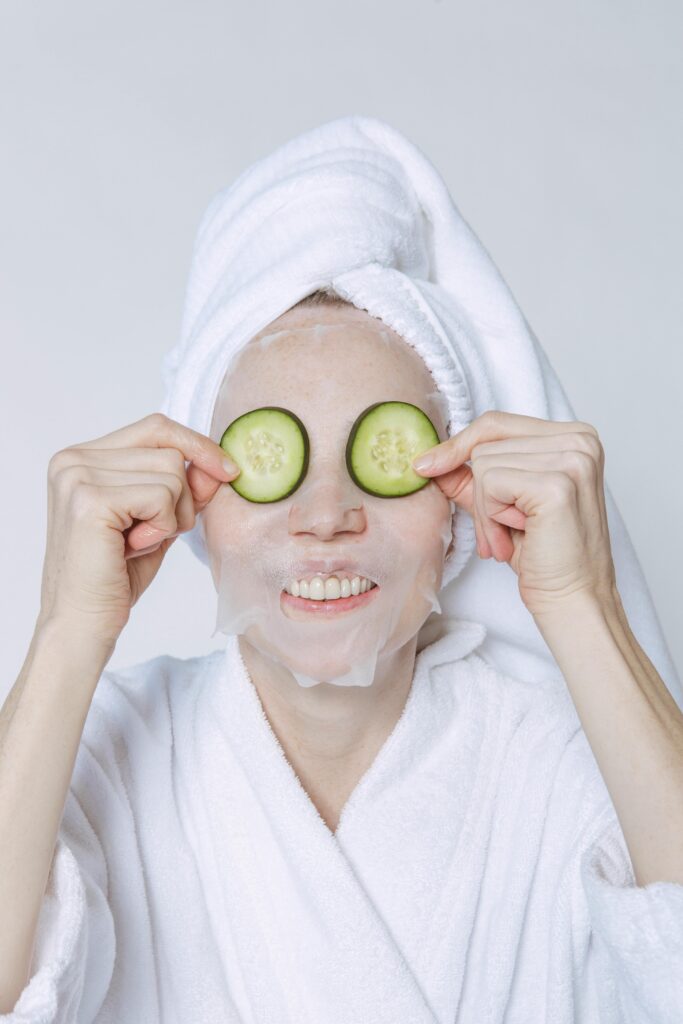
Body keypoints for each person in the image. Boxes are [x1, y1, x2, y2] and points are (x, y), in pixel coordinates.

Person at [1, 116, 682, 1022]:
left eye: (385, 457)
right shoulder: (105, 747)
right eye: (272, 457)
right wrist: (65, 631)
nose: (325, 516)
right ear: (197, 500)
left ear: (458, 508)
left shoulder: (559, 756)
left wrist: (582, 602)